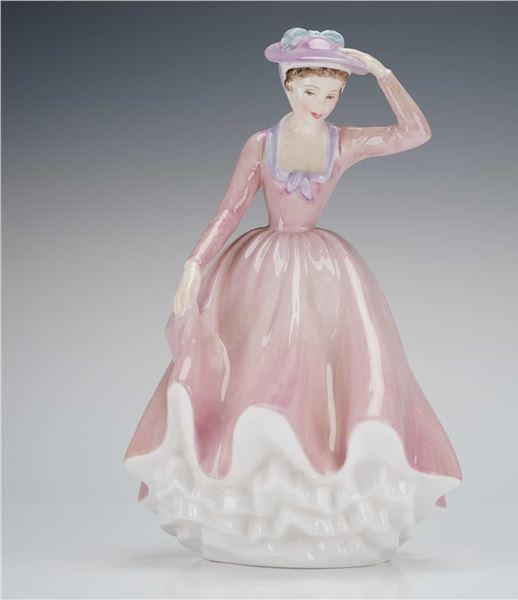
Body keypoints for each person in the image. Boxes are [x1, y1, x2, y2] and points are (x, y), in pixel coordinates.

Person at [124, 27, 463, 568]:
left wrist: (383, 74)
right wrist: (194, 263)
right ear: (286, 85)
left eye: (332, 94)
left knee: (329, 373)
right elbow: (230, 210)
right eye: (309, 91)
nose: (320, 104)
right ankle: (246, 493)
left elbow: (415, 132)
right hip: (262, 265)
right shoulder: (261, 145)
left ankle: (328, 491)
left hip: (326, 271)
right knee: (256, 369)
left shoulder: (343, 142)